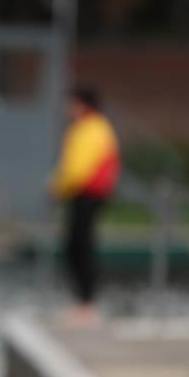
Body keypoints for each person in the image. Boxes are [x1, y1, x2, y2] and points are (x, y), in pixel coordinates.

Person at [49, 86, 120, 326]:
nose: (68, 109)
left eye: (72, 103)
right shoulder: (98, 127)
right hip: (87, 195)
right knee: (79, 246)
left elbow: (77, 168)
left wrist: (57, 188)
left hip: (86, 195)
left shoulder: (89, 129)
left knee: (80, 247)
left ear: (82, 104)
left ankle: (86, 304)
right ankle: (84, 303)